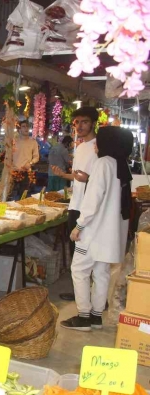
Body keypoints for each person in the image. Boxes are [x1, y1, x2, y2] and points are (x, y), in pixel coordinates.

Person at [61, 126, 133, 331]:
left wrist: (79, 226)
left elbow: (92, 201)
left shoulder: (103, 164)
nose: (96, 145)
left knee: (79, 270)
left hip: (93, 231)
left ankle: (84, 316)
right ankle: (95, 316)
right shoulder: (121, 165)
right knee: (101, 273)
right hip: (110, 234)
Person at [52, 106, 99, 301]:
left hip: (89, 208)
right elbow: (78, 175)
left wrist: (87, 179)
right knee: (76, 253)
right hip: (75, 205)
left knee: (90, 252)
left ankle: (94, 296)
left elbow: (99, 178)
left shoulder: (99, 147)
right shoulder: (79, 147)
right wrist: (63, 175)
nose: (79, 126)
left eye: (84, 121)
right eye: (77, 122)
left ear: (93, 123)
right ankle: (81, 292)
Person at [9, 120, 40, 200]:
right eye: (23, 126)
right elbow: (7, 156)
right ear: (19, 130)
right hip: (13, 172)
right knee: (9, 195)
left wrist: (30, 163)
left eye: (27, 126)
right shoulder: (13, 142)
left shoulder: (33, 142)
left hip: (26, 172)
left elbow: (36, 157)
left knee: (23, 196)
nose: (26, 128)